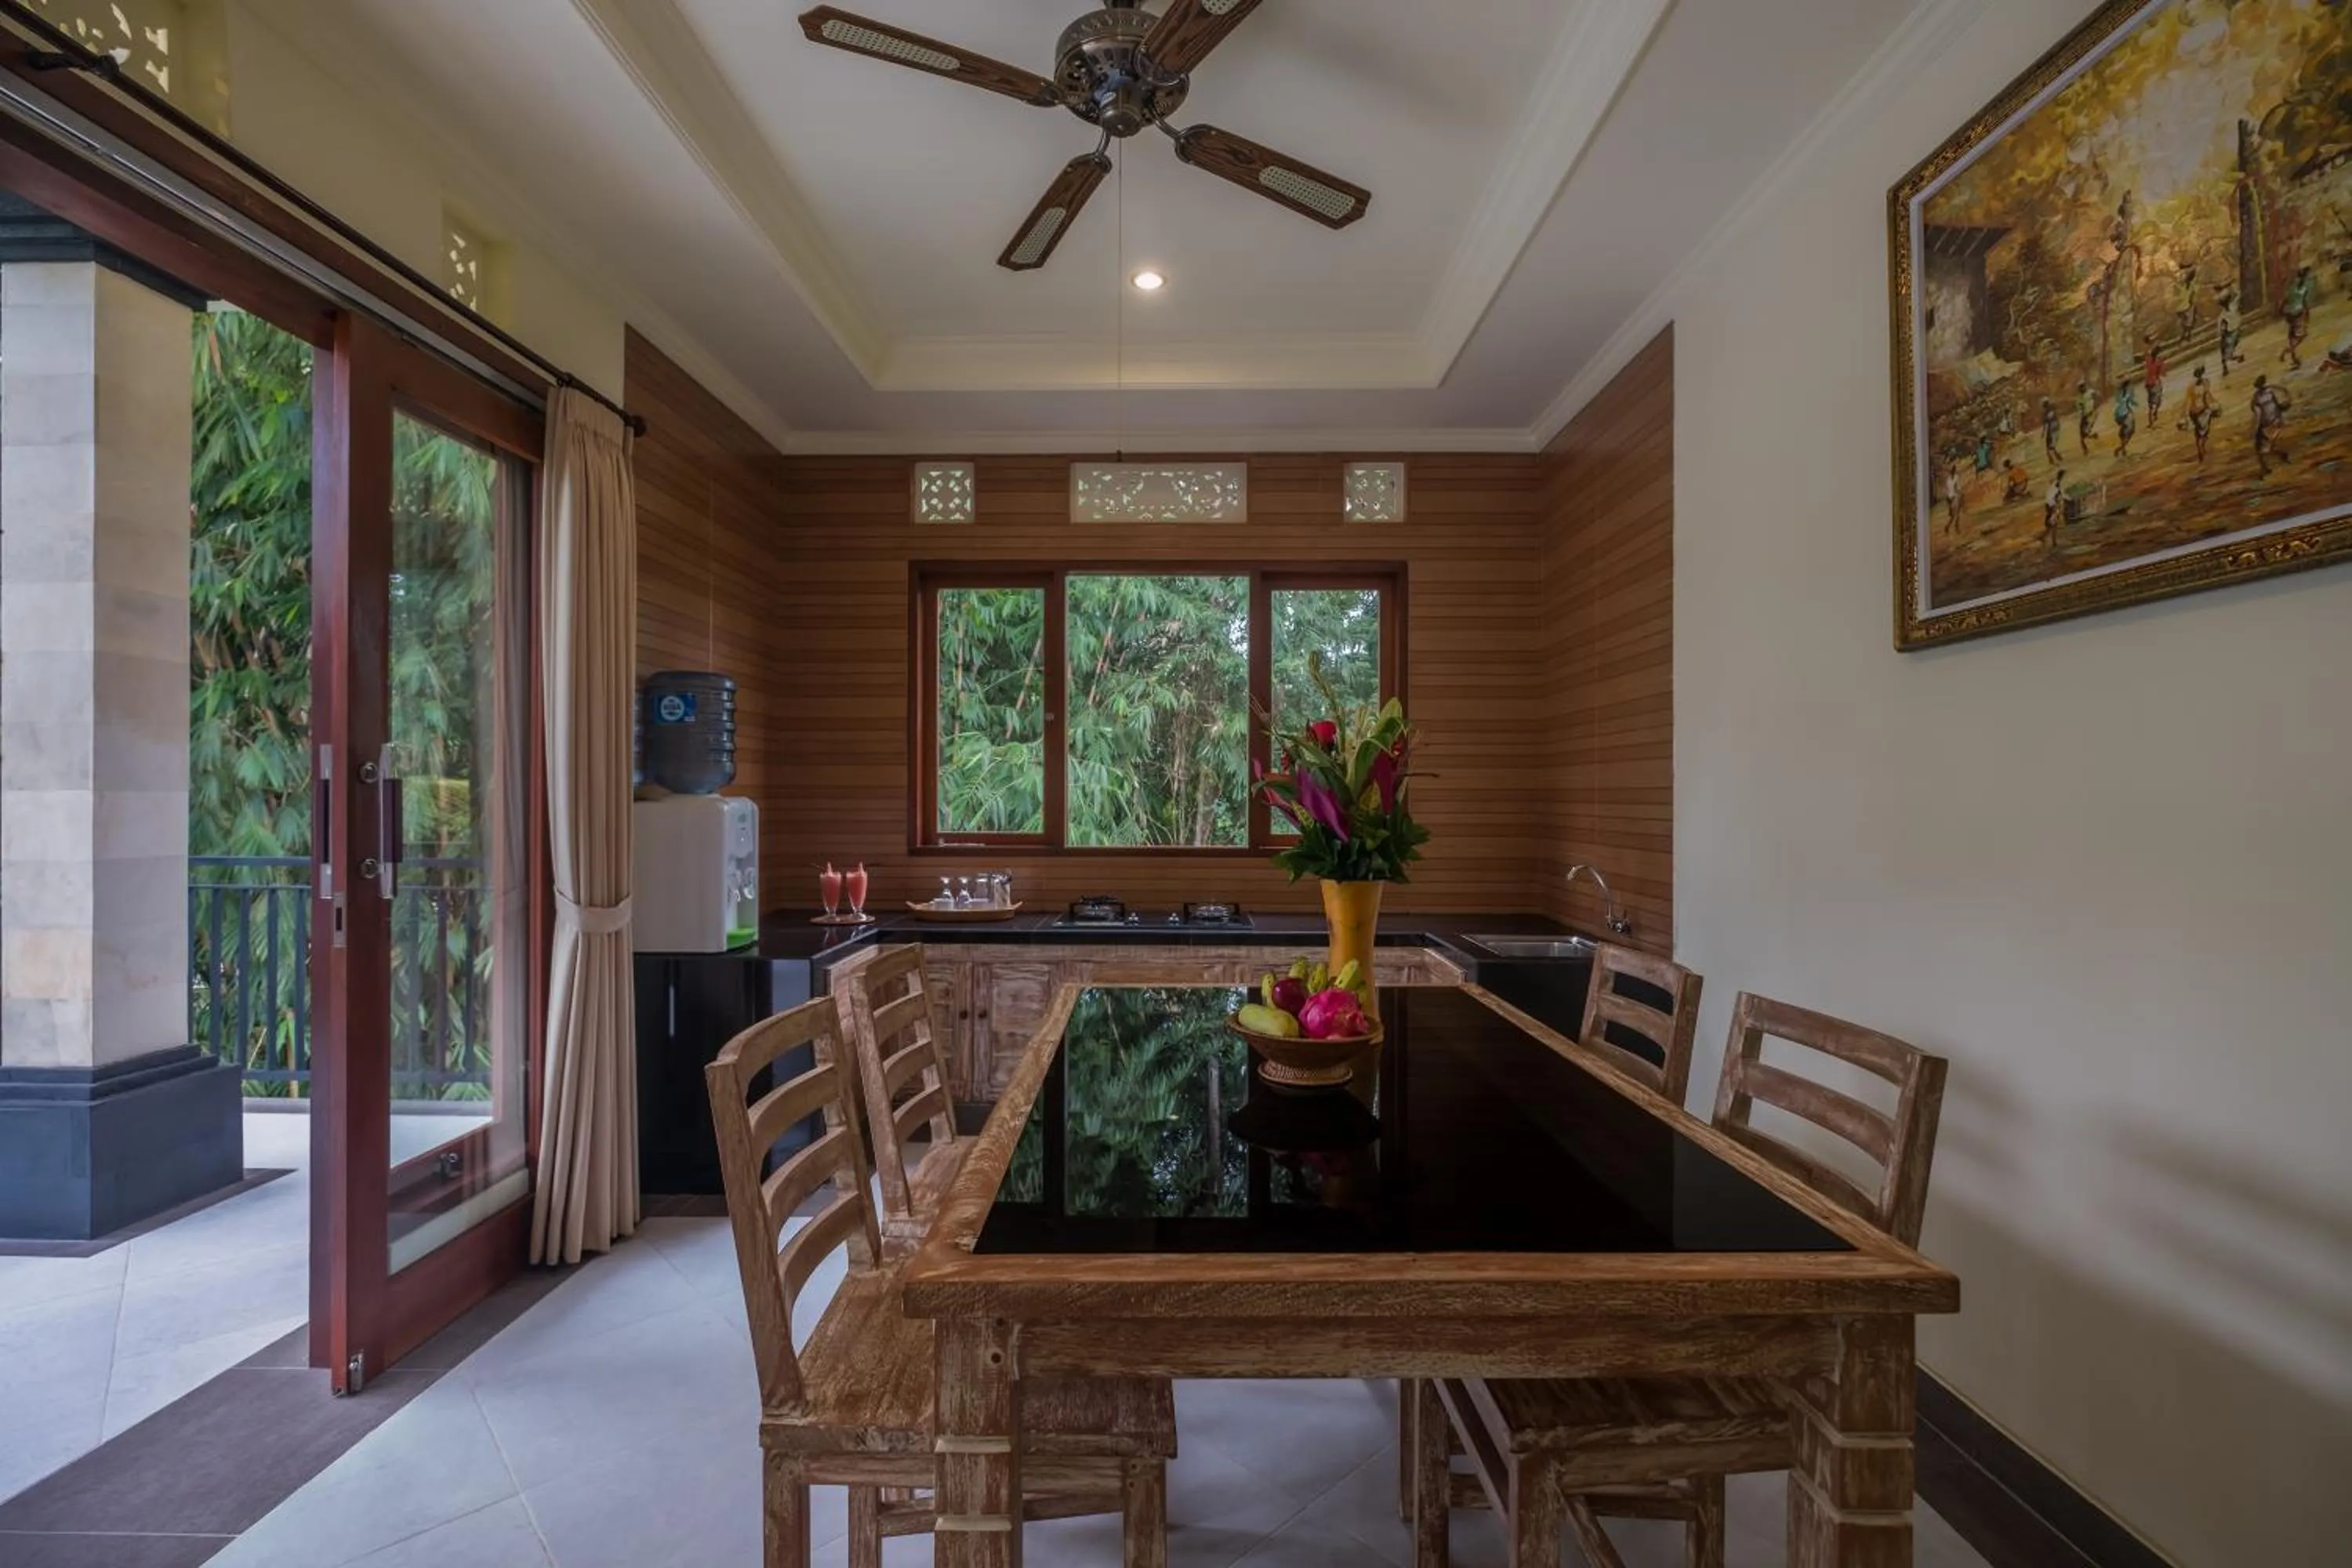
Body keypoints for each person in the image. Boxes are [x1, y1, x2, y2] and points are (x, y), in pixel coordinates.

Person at [2251, 374, 2291, 477]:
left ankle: (2277, 458)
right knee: (2262, 449)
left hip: (2273, 422)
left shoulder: (2266, 393)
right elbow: (2256, 410)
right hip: (2267, 423)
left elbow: (2278, 401)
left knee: (2266, 448)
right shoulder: (2258, 396)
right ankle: (2266, 467)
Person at [2281, 264, 2317, 369]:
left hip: (2289, 312)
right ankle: (2288, 351)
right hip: (2298, 312)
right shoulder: (2305, 286)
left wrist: (2283, 310)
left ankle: (2294, 359)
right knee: (2302, 335)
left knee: (2292, 335)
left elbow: (2286, 299)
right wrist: (2306, 314)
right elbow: (2305, 302)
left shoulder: (2293, 286)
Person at [2183, 363, 2218, 463]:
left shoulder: (2195, 386)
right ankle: (2201, 448)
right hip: (2199, 411)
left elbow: (2190, 401)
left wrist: (2213, 403)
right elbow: (2205, 397)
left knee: (2200, 432)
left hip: (2198, 411)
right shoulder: (2201, 384)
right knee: (2202, 432)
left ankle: (2200, 448)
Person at [2217, 289, 2244, 377]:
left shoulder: (2224, 315)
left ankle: (2227, 366)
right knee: (2226, 353)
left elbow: (2223, 330)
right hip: (2234, 331)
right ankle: (2227, 366)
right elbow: (2238, 294)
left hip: (2231, 334)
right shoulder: (2233, 307)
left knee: (2226, 354)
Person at [2113, 376, 2138, 458]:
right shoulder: (2128, 391)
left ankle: (2123, 450)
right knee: (2131, 431)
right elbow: (2130, 402)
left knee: (2124, 431)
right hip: (2125, 413)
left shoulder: (2119, 392)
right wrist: (2136, 404)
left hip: (2117, 415)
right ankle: (2120, 449)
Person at [2143, 339, 2166, 419]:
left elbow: (2145, 363)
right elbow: (2162, 373)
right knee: (2159, 397)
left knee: (2150, 398)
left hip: (2147, 383)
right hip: (2155, 382)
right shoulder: (2158, 362)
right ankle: (2155, 412)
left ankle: (2150, 410)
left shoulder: (2148, 359)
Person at [2043, 469, 2066, 547]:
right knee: (2054, 523)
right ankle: (2054, 542)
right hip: (2052, 504)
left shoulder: (2054, 483)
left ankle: (2046, 537)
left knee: (2051, 523)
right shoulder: (2057, 484)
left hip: (2048, 503)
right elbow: (2057, 496)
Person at [2075, 380, 2100, 454]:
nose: (2081, 388)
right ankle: (2085, 448)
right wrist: (2082, 415)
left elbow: (2098, 397)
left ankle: (2087, 447)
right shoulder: (2079, 398)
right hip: (2085, 416)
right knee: (2082, 434)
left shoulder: (2091, 392)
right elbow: (2080, 409)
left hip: (2092, 414)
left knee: (2086, 431)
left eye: (2082, 386)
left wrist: (2096, 406)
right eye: (2080, 387)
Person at [1943, 458, 1965, 532]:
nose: (1952, 472)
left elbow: (1953, 488)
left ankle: (1949, 526)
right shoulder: (1952, 478)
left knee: (1955, 514)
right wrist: (1960, 493)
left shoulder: (1950, 479)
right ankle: (1954, 526)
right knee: (1956, 514)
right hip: (1953, 497)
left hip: (1951, 497)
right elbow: (1957, 488)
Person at [2040, 395, 2062, 466]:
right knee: (2050, 445)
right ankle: (2055, 457)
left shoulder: (2047, 412)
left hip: (2051, 429)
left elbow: (2046, 423)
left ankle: (2053, 459)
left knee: (2050, 445)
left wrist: (2043, 432)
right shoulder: (2051, 410)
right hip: (2053, 428)